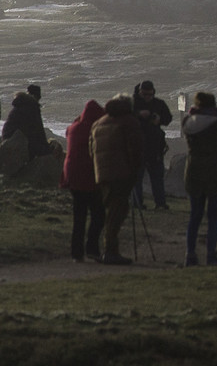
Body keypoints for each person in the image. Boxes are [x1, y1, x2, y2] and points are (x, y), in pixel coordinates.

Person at [181, 91, 217, 266]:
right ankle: (211, 255)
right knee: (213, 217)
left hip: (194, 170)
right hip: (215, 171)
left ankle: (190, 254)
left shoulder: (187, 122)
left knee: (194, 216)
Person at [90, 95, 143, 265]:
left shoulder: (99, 122)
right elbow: (135, 149)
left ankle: (109, 250)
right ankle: (110, 251)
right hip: (121, 173)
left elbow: (91, 150)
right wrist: (135, 171)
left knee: (112, 210)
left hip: (102, 173)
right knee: (118, 211)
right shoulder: (129, 122)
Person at [60, 99, 106, 262]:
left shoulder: (73, 127)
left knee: (79, 216)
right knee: (98, 214)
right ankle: (92, 248)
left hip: (72, 175)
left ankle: (76, 252)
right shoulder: (96, 129)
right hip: (88, 175)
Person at [130, 81, 172, 210]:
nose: (148, 97)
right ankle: (137, 203)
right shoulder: (132, 104)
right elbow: (124, 118)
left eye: (150, 94)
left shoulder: (159, 104)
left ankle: (160, 203)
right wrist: (138, 115)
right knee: (137, 178)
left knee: (157, 177)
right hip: (138, 145)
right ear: (139, 92)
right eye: (145, 94)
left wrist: (159, 120)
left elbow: (168, 118)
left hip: (155, 146)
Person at [2, 84, 49, 160]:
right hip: (18, 141)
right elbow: (39, 130)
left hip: (8, 137)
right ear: (37, 97)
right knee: (41, 149)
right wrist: (47, 149)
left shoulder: (20, 104)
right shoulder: (32, 106)